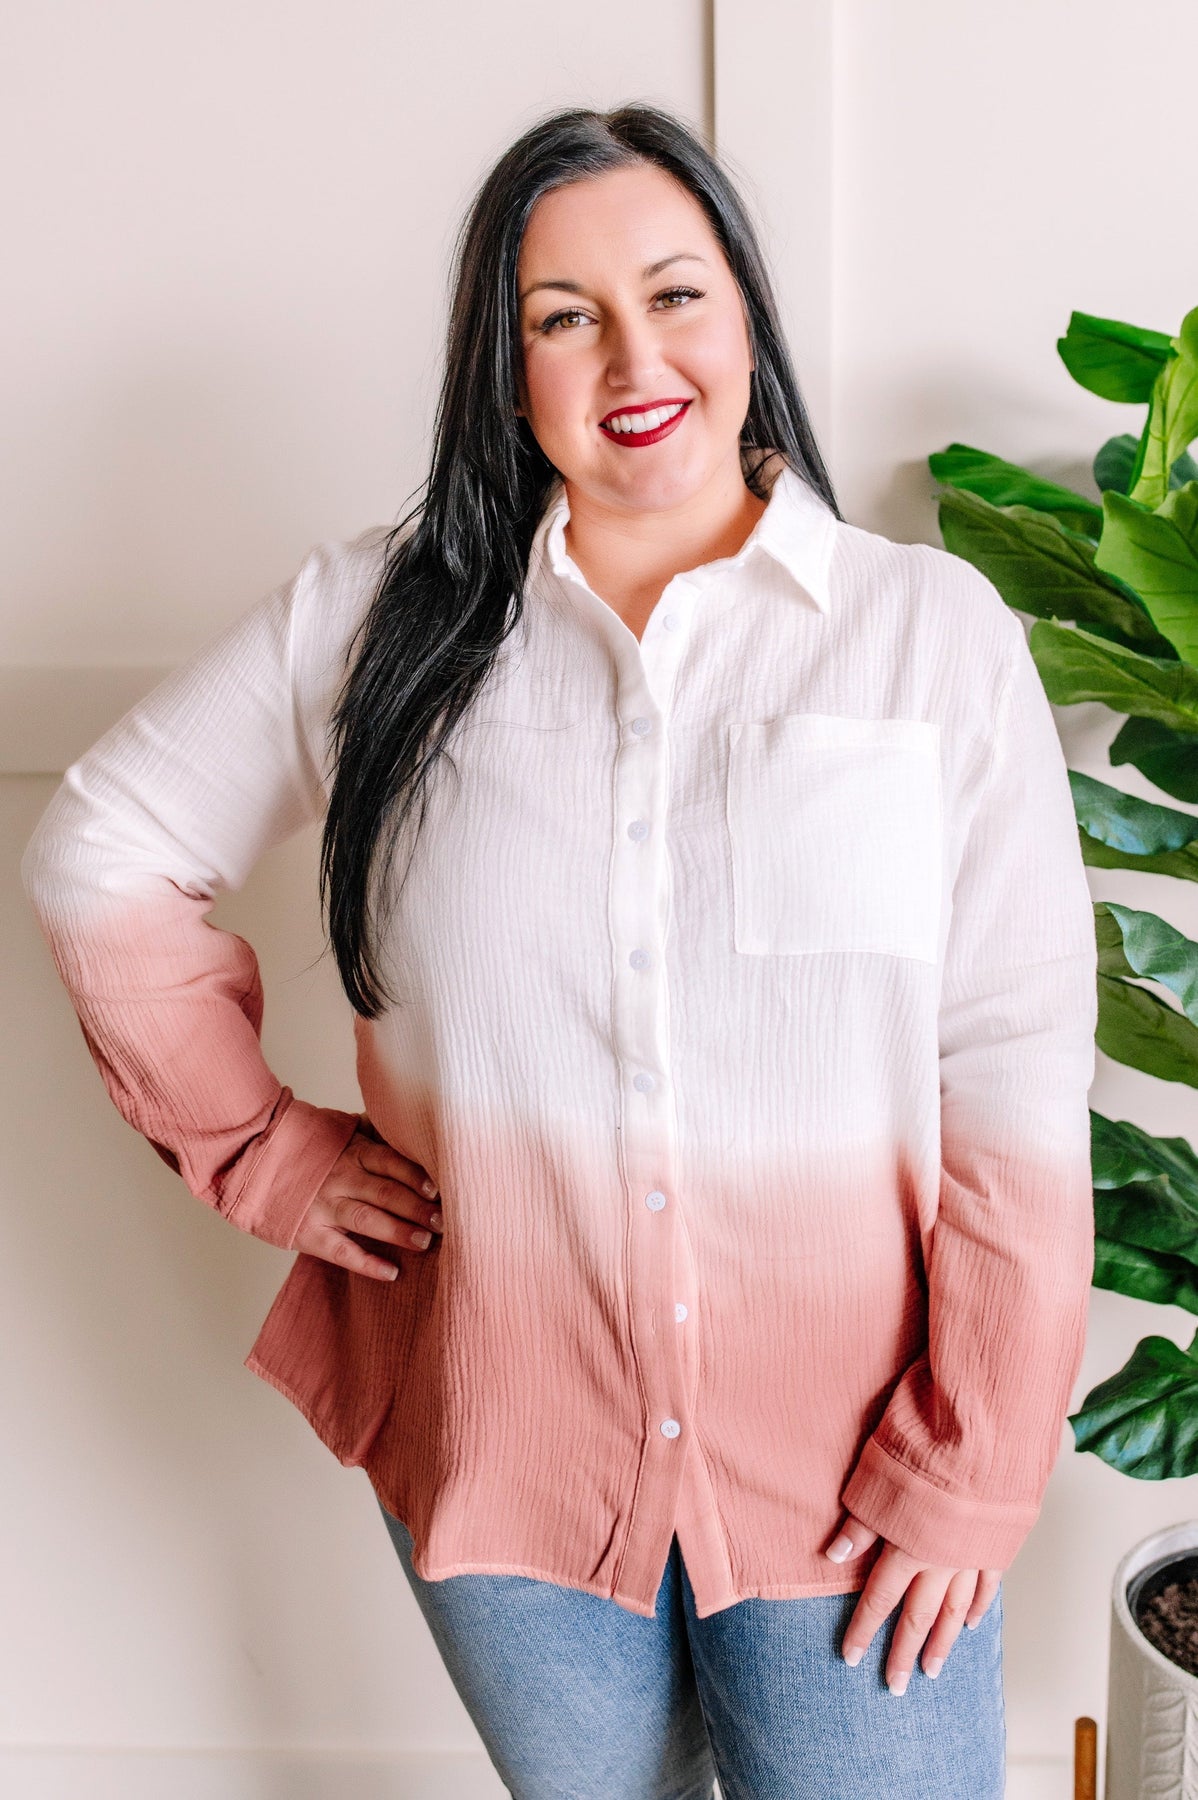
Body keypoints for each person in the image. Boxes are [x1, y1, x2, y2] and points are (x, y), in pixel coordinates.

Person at [21, 102, 1097, 1799]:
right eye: (562, 316)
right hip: (506, 1448)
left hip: (855, 1477)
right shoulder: (376, 624)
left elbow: (1013, 1072)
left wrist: (974, 1465)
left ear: (744, 313)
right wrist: (267, 1155)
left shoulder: (924, 636)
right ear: (502, 363)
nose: (631, 358)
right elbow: (101, 855)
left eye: (673, 295)